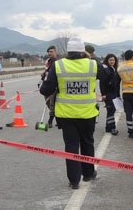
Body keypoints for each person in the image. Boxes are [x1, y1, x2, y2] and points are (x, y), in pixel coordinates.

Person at [39, 38, 107, 189]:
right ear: (83, 52)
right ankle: (88, 173)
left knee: (71, 146)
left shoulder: (58, 65)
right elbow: (105, 76)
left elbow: (45, 90)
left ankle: (74, 181)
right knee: (87, 143)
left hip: (66, 114)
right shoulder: (93, 64)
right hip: (88, 113)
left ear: (68, 51)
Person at [100, 54, 120, 135]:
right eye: (110, 60)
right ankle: (112, 127)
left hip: (114, 93)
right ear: (107, 61)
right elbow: (102, 83)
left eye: (113, 60)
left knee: (112, 110)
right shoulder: (105, 70)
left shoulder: (114, 70)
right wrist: (103, 94)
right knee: (111, 110)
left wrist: (118, 94)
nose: (112, 62)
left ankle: (108, 127)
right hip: (108, 93)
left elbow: (117, 84)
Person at [41, 45, 58, 128]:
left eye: (51, 51)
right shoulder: (48, 62)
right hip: (46, 84)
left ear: (55, 52)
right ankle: (58, 118)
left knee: (52, 103)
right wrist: (43, 74)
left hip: (54, 85)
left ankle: (50, 121)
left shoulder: (58, 62)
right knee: (48, 102)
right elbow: (47, 71)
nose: (49, 53)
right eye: (48, 52)